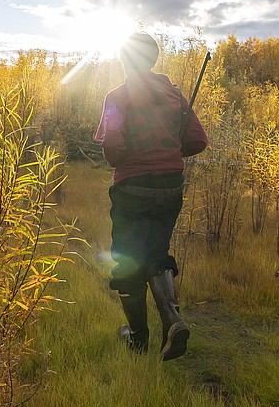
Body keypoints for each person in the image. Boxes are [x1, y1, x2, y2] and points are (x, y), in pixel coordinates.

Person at [94, 32, 208, 361]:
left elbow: (113, 153)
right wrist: (168, 150)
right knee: (157, 253)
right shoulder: (174, 95)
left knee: (128, 259)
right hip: (170, 185)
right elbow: (198, 141)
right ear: (154, 58)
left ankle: (138, 338)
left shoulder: (116, 96)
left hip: (132, 187)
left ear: (124, 60)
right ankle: (172, 319)